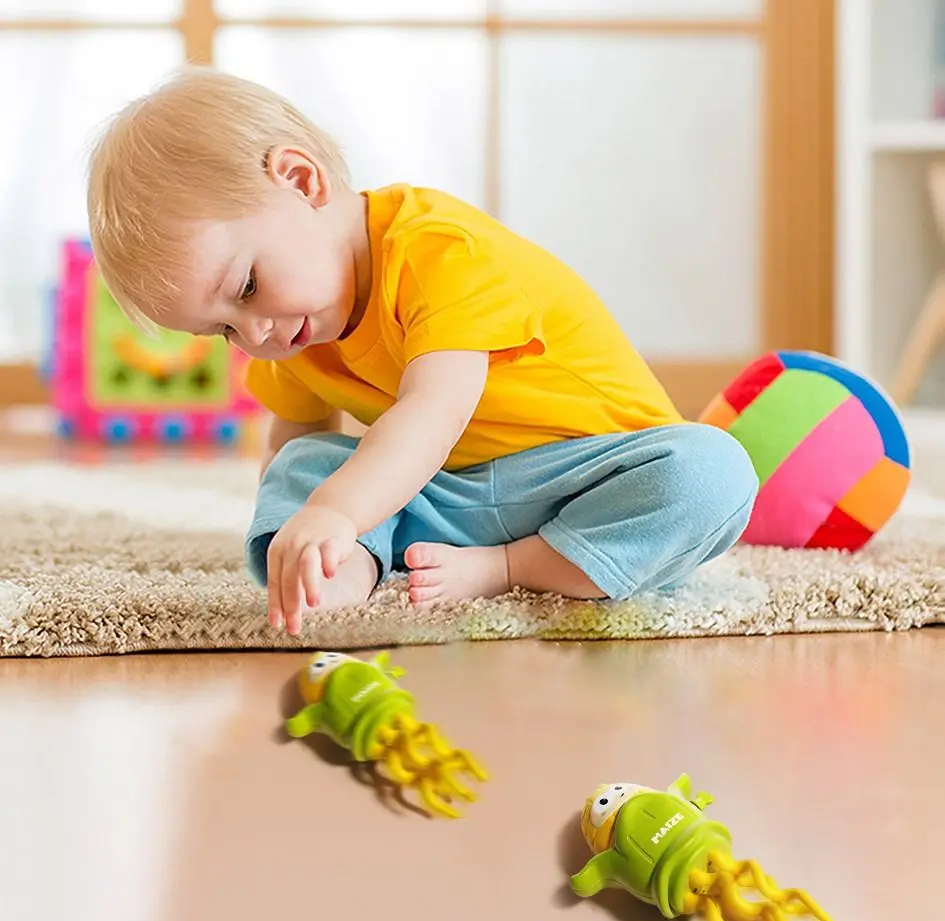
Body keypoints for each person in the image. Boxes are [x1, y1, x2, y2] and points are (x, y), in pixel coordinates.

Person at [86, 68, 757, 636]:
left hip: (586, 480)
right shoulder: (290, 331)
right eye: (223, 331)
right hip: (446, 498)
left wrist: (337, 511)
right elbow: (294, 440)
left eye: (246, 288)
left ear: (301, 180)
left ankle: (515, 568)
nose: (253, 335)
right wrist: (307, 532)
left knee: (710, 472)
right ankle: (343, 577)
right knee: (302, 463)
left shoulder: (440, 253)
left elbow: (432, 415)